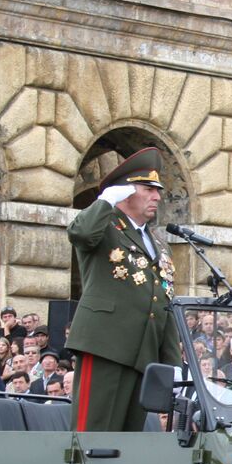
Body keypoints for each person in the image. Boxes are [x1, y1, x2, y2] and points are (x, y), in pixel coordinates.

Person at [66, 147, 181, 432]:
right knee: (93, 435)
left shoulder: (158, 243)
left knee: (128, 443)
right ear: (125, 191)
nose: (156, 196)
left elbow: (163, 302)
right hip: (105, 346)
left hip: (143, 355)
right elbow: (80, 233)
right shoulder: (105, 226)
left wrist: (172, 363)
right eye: (148, 189)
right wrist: (106, 200)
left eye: (158, 190)